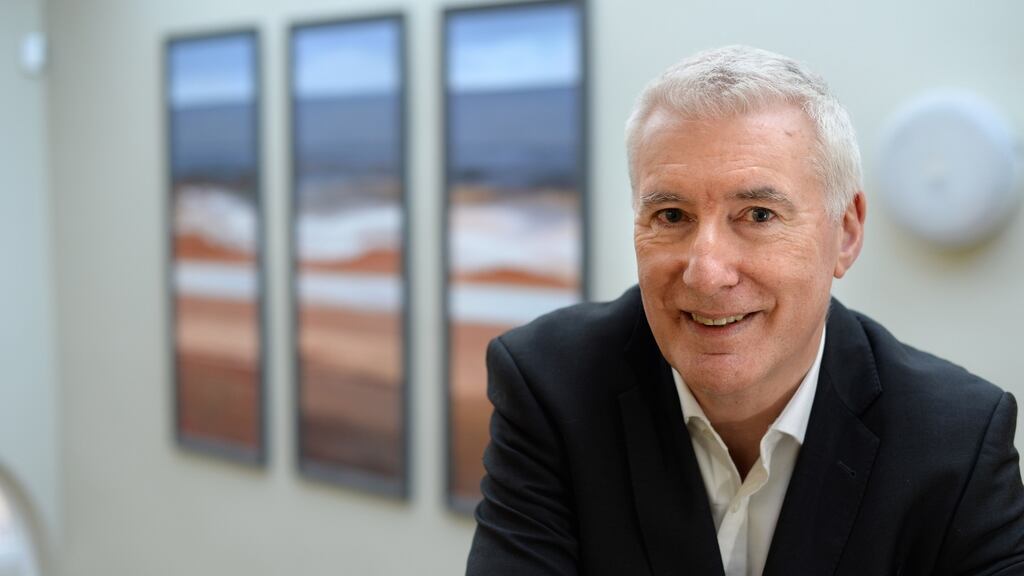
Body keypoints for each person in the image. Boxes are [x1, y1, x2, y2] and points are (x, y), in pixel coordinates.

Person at [465, 45, 1024, 576]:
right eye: (671, 215)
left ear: (846, 234)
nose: (707, 273)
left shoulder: (956, 439)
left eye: (757, 215)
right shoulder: (549, 385)